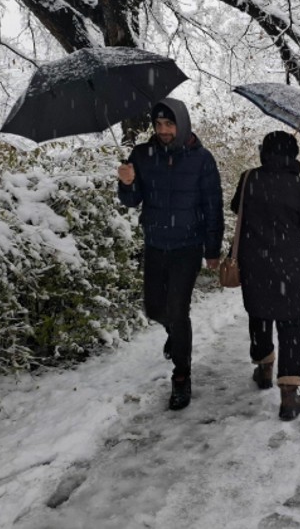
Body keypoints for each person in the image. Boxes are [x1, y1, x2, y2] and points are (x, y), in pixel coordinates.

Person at [117, 98, 223, 411]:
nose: (163, 130)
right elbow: (132, 201)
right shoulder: (141, 155)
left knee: (177, 309)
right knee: (153, 308)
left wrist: (212, 249)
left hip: (187, 247)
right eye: (159, 124)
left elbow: (212, 207)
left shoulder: (202, 159)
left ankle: (181, 376)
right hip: (155, 244)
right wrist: (126, 183)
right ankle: (175, 334)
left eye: (169, 124)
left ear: (182, 124)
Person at [230, 131, 300, 421]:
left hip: (254, 263)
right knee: (291, 324)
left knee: (259, 314)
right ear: (293, 155)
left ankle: (264, 368)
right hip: (287, 268)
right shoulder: (298, 186)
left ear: (263, 152)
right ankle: (289, 396)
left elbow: (236, 208)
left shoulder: (249, 179)